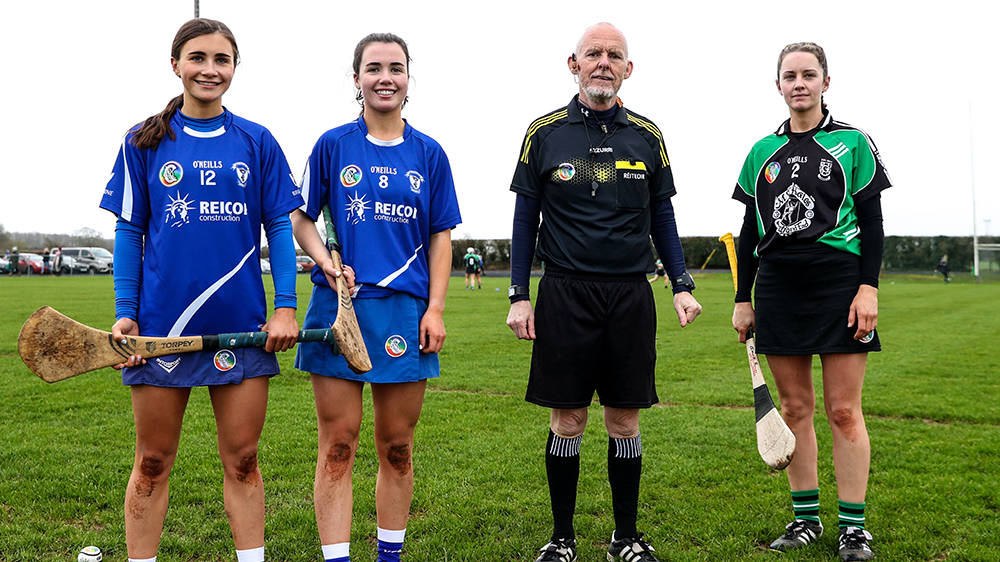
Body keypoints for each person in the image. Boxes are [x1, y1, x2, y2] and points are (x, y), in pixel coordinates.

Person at [98, 18, 302, 562]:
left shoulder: (257, 141)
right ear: (176, 65)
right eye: (198, 58)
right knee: (152, 462)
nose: (210, 69)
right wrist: (126, 314)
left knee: (243, 461)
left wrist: (285, 308)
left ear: (235, 68)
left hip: (241, 328)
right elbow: (128, 232)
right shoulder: (142, 140)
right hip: (162, 330)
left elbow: (280, 229)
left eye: (222, 60)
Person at [506, 22, 701, 562]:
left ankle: (625, 537)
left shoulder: (648, 135)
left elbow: (662, 214)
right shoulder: (543, 133)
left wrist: (680, 282)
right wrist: (519, 294)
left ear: (628, 69)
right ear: (573, 64)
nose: (603, 63)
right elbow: (526, 219)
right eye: (593, 53)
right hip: (565, 293)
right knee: (567, 417)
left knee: (624, 418)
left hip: (629, 295)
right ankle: (562, 539)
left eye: (614, 55)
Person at [290, 32, 462, 562]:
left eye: (395, 68)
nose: (385, 77)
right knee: (338, 446)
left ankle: (389, 556)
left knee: (397, 448)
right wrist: (324, 259)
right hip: (338, 308)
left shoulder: (429, 153)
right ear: (357, 78)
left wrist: (434, 309)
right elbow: (300, 217)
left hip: (404, 313)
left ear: (409, 78)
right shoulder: (332, 145)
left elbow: (440, 238)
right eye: (373, 68)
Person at [730, 42, 890, 562]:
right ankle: (805, 520)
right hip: (778, 288)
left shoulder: (853, 142)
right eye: (789, 76)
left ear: (826, 81)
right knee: (795, 408)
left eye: (808, 75)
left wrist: (868, 288)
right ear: (777, 85)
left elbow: (873, 224)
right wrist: (742, 299)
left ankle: (853, 529)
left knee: (844, 411)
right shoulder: (761, 153)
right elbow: (750, 230)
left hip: (839, 284)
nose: (799, 84)